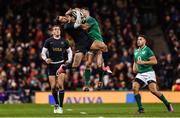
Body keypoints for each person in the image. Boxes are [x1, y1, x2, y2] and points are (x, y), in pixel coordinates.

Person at [132, 35, 174, 113]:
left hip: (149, 72)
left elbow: (155, 61)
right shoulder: (136, 51)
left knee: (153, 91)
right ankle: (141, 109)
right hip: (140, 74)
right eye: (137, 39)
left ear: (145, 41)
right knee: (134, 87)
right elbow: (135, 61)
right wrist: (134, 68)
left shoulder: (148, 50)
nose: (138, 41)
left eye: (140, 39)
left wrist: (144, 62)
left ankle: (168, 104)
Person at [41, 25, 72, 114]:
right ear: (52, 32)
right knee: (53, 87)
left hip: (60, 65)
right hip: (51, 65)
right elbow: (43, 53)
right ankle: (57, 104)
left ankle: (61, 107)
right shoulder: (48, 41)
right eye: (55, 29)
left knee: (60, 85)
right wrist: (46, 59)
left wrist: (69, 60)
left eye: (58, 29)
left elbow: (69, 51)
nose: (57, 30)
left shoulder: (64, 41)